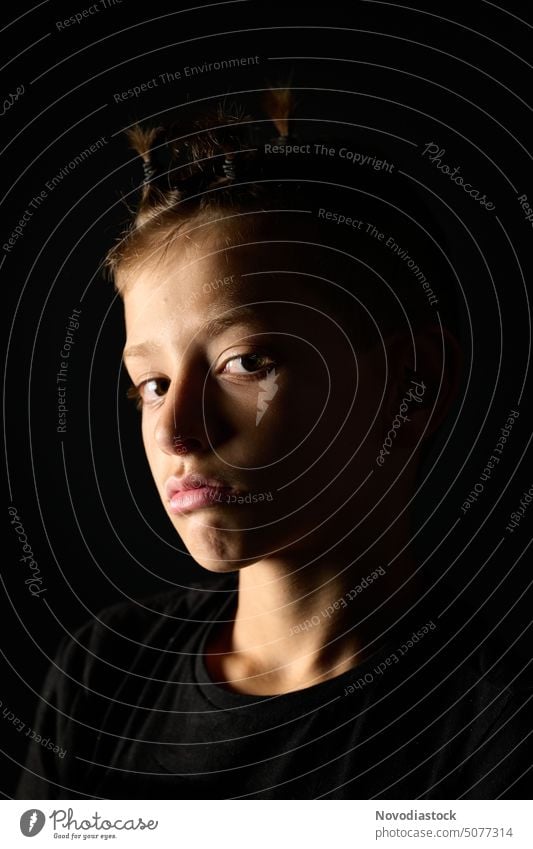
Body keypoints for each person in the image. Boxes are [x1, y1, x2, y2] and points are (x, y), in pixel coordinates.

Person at [16, 91, 532, 799]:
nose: (174, 431)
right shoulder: (104, 673)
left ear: (414, 382)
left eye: (245, 361)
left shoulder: (494, 725)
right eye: (153, 383)